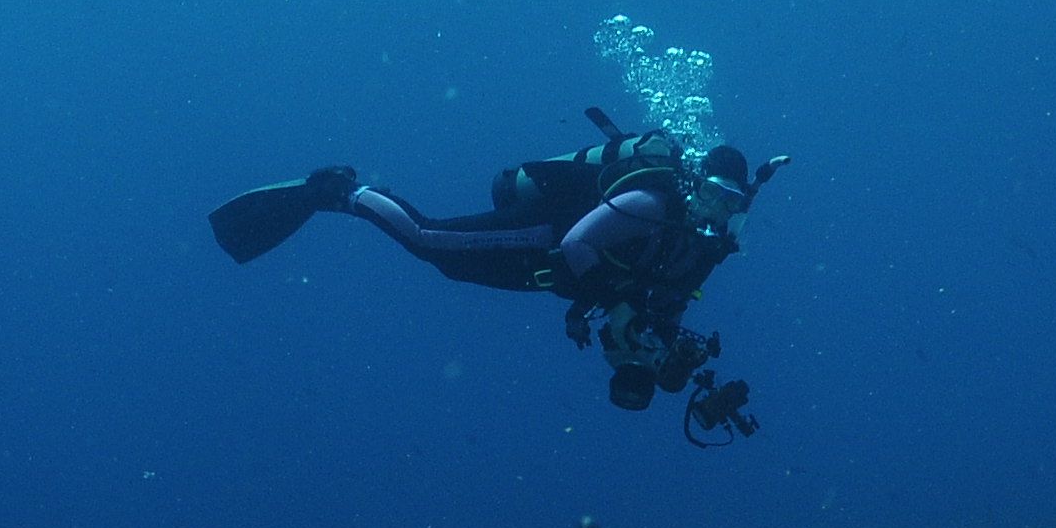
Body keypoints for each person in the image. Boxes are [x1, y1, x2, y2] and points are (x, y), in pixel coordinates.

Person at [209, 110, 778, 443]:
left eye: (730, 201)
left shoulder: (705, 249)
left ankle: (344, 194)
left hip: (555, 272)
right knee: (431, 241)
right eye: (711, 192)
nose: (716, 208)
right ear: (696, 182)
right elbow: (582, 242)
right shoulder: (656, 201)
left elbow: (653, 298)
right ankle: (338, 190)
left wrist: (660, 347)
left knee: (451, 272)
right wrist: (620, 304)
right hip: (547, 234)